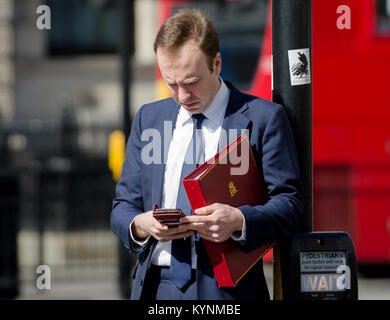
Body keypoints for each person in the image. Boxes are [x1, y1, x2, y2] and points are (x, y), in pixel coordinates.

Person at [111, 8, 304, 300]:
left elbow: (290, 206)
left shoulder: (264, 118)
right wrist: (140, 224)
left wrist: (239, 220)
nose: (182, 96)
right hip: (157, 286)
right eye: (171, 83)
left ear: (216, 64)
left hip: (227, 288)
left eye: (191, 82)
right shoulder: (148, 119)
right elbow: (123, 205)